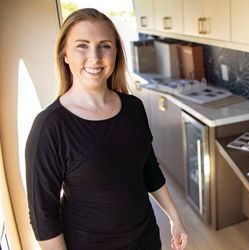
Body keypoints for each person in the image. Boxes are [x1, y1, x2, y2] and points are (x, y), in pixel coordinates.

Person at [25, 8, 188, 250]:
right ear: (65, 54)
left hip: (146, 240)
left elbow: (149, 169)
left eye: (105, 45)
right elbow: (43, 215)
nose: (95, 56)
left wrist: (175, 218)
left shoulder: (133, 108)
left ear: (116, 54)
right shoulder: (50, 127)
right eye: (82, 45)